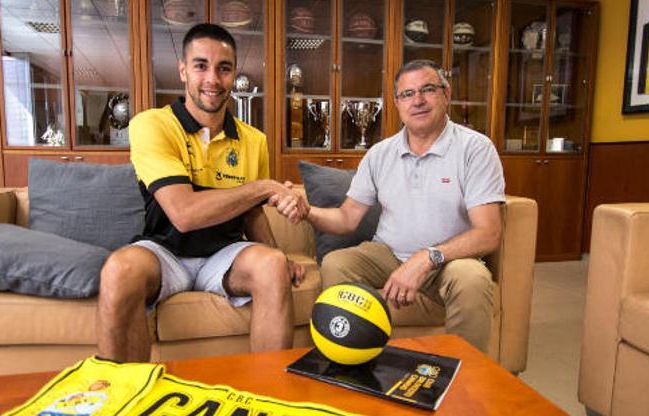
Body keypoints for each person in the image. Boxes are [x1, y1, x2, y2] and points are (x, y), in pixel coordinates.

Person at [96, 23, 304, 363]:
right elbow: (184, 213)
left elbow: (251, 212)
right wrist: (264, 187)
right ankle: (123, 395)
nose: (212, 79)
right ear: (183, 71)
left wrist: (280, 256)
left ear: (233, 74)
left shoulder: (254, 140)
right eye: (200, 65)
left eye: (224, 68)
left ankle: (269, 395)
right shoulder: (152, 124)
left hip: (224, 253)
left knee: (272, 265)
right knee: (119, 268)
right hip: (165, 251)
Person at [272, 59, 504, 352]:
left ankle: (463, 378)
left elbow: (489, 233)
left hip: (449, 261)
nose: (417, 100)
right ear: (396, 103)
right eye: (407, 94)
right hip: (388, 253)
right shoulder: (380, 153)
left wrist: (426, 258)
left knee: (473, 280)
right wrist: (307, 211)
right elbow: (346, 218)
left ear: (446, 95)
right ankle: (351, 356)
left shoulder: (475, 148)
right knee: (336, 264)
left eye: (428, 89)